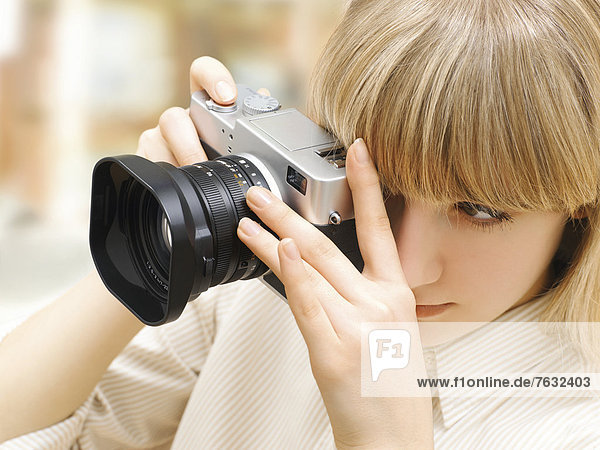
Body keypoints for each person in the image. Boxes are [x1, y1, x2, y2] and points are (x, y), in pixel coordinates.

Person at [2, 0, 600, 447]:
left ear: (582, 208)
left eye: (480, 211)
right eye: (374, 188)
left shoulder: (576, 421)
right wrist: (164, 228)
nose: (405, 268)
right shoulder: (273, 281)